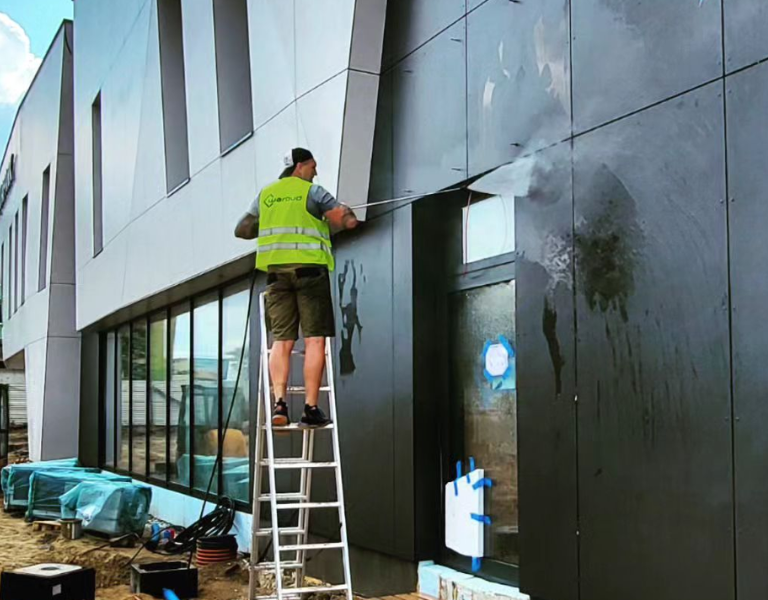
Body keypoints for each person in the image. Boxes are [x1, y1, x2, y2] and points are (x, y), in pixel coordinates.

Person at [234, 148, 358, 427]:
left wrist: (271, 223)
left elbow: (242, 229)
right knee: (315, 339)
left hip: (276, 278)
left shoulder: (266, 195)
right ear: (300, 167)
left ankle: (279, 405)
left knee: (282, 341)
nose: (315, 172)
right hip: (309, 274)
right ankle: (310, 408)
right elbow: (344, 220)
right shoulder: (312, 192)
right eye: (313, 166)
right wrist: (348, 214)